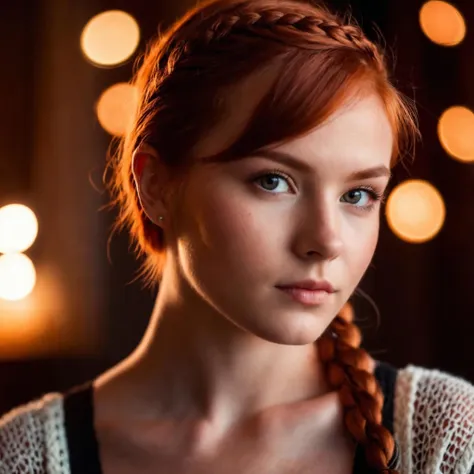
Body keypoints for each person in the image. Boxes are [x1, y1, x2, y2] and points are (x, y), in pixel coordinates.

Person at [2, 0, 474, 472]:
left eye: (357, 194)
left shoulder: (446, 437)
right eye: (273, 181)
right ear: (156, 185)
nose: (326, 241)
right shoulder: (26, 457)